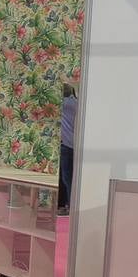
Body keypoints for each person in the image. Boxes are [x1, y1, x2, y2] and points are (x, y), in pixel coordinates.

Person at [59, 85, 77, 214]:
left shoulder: (65, 104)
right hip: (73, 144)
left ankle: (70, 206)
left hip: (66, 145)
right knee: (68, 178)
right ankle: (67, 204)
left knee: (66, 178)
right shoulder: (76, 103)